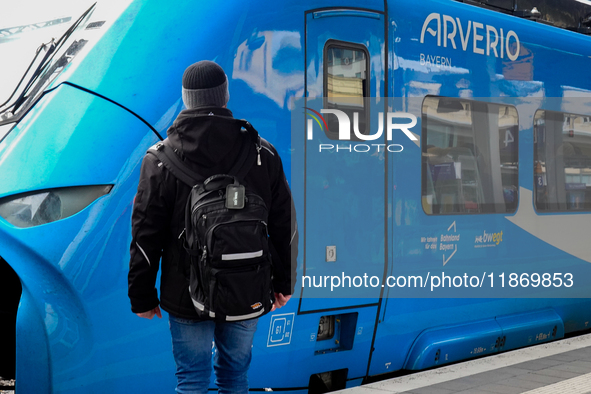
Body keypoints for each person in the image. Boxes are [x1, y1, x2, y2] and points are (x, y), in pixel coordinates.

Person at [128, 60, 297, 394]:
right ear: (225, 97)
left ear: (186, 99)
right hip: (248, 285)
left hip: (184, 290)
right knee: (235, 375)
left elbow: (145, 235)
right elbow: (283, 223)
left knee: (192, 378)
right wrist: (283, 282)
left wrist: (142, 296)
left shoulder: (159, 160)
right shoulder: (263, 153)